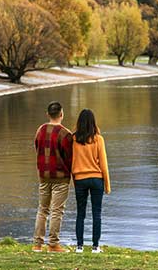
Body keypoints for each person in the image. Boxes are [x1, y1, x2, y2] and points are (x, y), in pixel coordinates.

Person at [32, 101, 73, 253]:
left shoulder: (40, 130)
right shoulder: (65, 134)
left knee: (42, 209)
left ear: (48, 114)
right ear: (61, 114)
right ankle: (53, 245)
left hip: (43, 176)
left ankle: (37, 244)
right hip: (60, 178)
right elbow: (69, 158)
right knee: (57, 211)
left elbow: (37, 148)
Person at [72, 109, 111, 254]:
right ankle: (95, 247)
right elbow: (104, 165)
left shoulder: (74, 139)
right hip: (96, 179)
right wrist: (107, 185)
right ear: (93, 122)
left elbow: (72, 162)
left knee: (80, 213)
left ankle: (79, 246)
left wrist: (73, 180)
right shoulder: (98, 139)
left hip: (80, 179)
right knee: (97, 213)